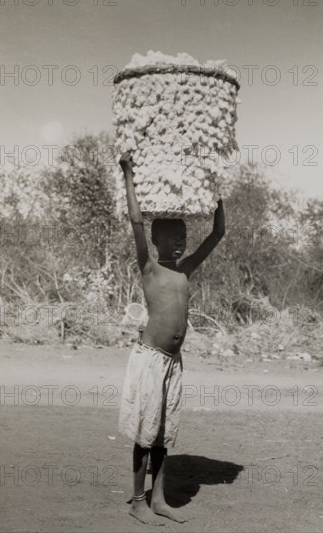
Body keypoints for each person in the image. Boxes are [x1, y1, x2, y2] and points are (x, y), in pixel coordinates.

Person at [118, 152, 225, 525]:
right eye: (172, 238)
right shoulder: (150, 268)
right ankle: (136, 500)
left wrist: (216, 192)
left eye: (182, 237)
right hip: (150, 359)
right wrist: (130, 174)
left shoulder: (185, 271)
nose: (179, 243)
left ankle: (158, 498)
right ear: (156, 240)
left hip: (172, 363)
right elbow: (135, 220)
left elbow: (217, 235)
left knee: (164, 434)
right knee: (145, 433)